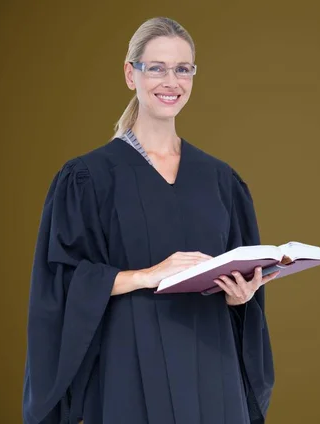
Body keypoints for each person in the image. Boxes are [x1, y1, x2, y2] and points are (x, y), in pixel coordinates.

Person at [23, 16, 278, 424]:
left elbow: (237, 284)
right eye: (156, 67)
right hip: (130, 370)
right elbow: (62, 283)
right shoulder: (89, 178)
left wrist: (241, 296)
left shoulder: (220, 180)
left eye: (182, 69)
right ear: (131, 74)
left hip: (212, 367)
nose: (170, 81)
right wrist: (146, 275)